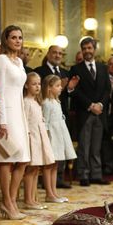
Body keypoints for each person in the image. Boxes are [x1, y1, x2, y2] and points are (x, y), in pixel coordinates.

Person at [0, 25, 29, 220]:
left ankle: (12, 201)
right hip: (7, 115)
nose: (17, 41)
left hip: (20, 113)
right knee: (7, 158)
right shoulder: (1, 60)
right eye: (13, 37)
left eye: (20, 37)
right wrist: (1, 119)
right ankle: (7, 201)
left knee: (23, 159)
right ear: (6, 40)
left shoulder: (20, 62)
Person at [69, 37, 111, 186]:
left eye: (89, 48)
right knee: (84, 146)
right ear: (81, 50)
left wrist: (100, 104)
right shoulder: (76, 69)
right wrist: (90, 105)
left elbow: (107, 90)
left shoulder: (102, 67)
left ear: (94, 49)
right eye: (84, 48)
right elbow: (75, 91)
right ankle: (83, 175)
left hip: (100, 113)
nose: (87, 51)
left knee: (96, 146)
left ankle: (96, 174)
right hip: (85, 112)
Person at [34, 45, 71, 188]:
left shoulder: (65, 72)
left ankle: (58, 181)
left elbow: (65, 95)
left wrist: (69, 87)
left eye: (60, 53)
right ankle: (47, 184)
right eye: (54, 52)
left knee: (59, 157)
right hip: (50, 127)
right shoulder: (40, 71)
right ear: (48, 53)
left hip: (60, 119)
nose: (57, 55)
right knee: (50, 160)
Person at [42, 74, 77, 201]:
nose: (60, 88)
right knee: (49, 165)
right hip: (51, 137)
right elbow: (45, 123)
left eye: (60, 85)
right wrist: (45, 141)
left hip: (59, 136)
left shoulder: (56, 101)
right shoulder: (46, 103)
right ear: (49, 88)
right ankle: (49, 193)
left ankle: (54, 192)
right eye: (57, 86)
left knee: (55, 165)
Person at [22, 72, 55, 209]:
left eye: (39, 84)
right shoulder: (26, 102)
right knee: (30, 170)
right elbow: (24, 122)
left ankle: (33, 198)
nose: (37, 87)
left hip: (39, 138)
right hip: (32, 139)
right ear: (26, 85)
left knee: (36, 169)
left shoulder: (36, 102)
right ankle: (28, 200)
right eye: (34, 84)